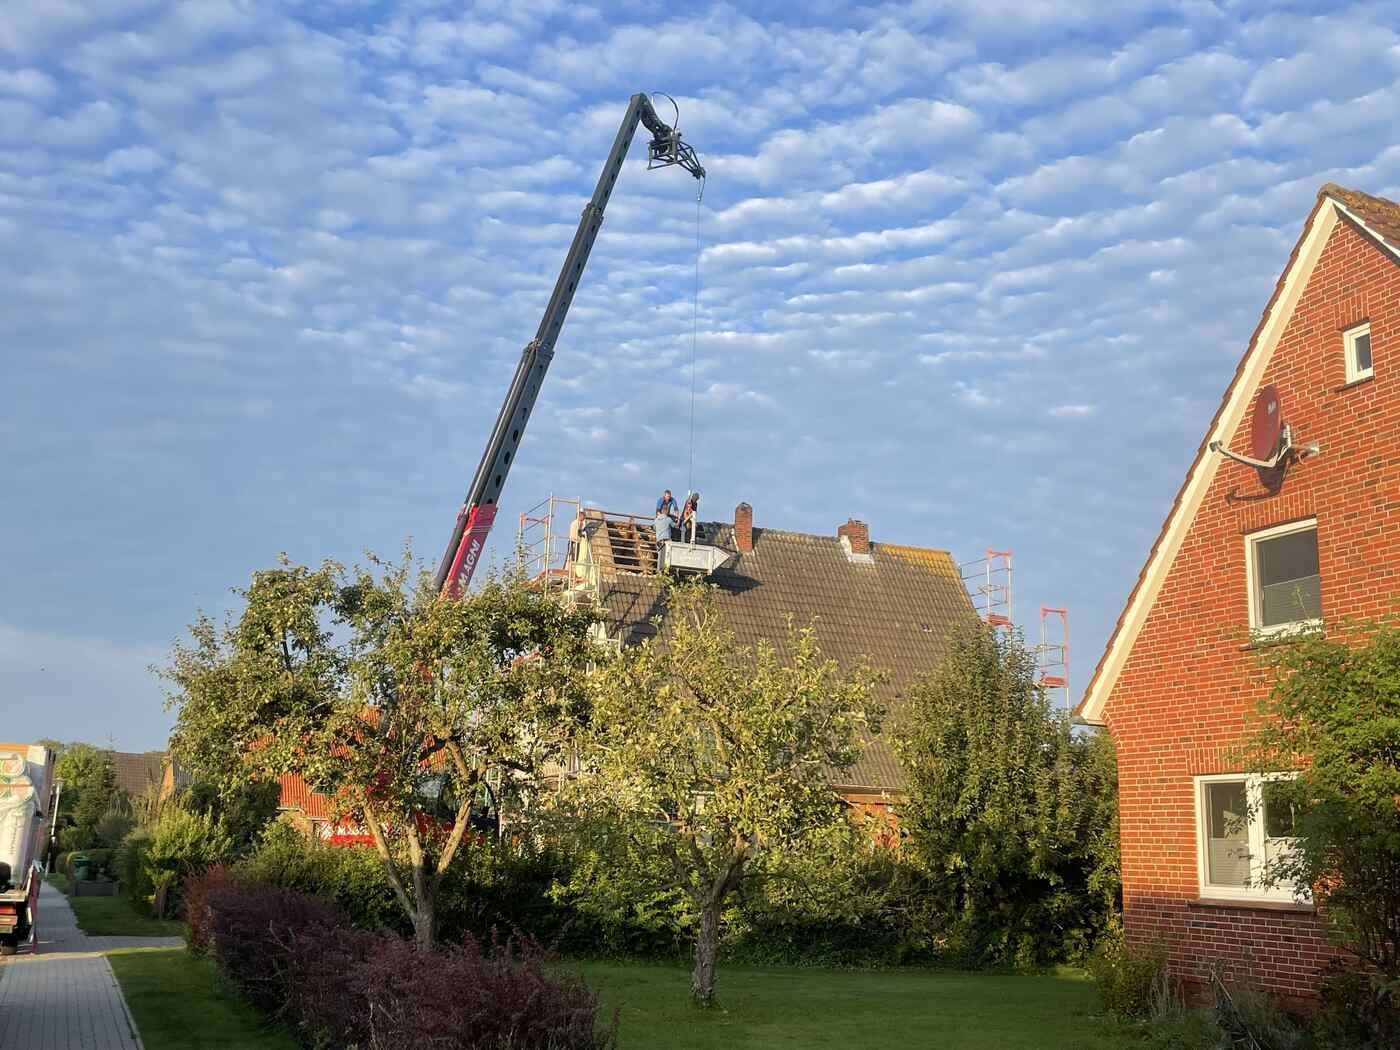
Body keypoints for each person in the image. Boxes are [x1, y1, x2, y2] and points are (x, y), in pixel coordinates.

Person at [654, 489, 678, 571]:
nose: (668, 498)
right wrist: (663, 518)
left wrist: (677, 516)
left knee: (660, 553)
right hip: (661, 515)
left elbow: (676, 509)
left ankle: (661, 568)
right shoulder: (660, 500)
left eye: (669, 497)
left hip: (665, 516)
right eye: (667, 496)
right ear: (664, 496)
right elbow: (657, 511)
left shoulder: (673, 500)